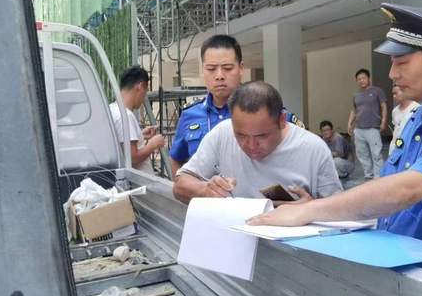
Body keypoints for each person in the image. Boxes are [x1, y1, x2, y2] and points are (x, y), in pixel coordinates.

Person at [248, 3, 422, 272]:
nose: (392, 74)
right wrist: (318, 207)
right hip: (398, 268)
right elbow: (384, 196)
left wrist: (308, 211)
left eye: (402, 62)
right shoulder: (417, 119)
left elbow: (404, 191)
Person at [173, 81, 342, 203]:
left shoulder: (314, 149)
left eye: (262, 136)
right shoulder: (222, 134)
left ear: (282, 120)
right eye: (241, 135)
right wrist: (205, 190)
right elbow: (180, 185)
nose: (251, 146)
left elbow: (340, 212)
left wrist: (310, 209)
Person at [169, 35, 304, 177]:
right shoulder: (190, 115)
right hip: (207, 191)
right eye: (211, 69)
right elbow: (176, 158)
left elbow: (303, 150)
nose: (219, 76)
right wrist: (185, 186)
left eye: (227, 68)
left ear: (241, 68)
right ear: (203, 70)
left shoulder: (266, 108)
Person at [110, 66, 166, 173]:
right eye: (145, 92)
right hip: (138, 181)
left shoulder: (113, 109)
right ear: (140, 86)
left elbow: (122, 145)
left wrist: (140, 135)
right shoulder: (125, 116)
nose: (144, 97)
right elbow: (133, 159)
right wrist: (153, 144)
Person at [347, 68, 387, 179]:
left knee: (376, 153)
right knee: (362, 154)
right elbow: (354, 110)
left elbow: (383, 106)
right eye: (359, 79)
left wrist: (383, 121)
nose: (361, 81)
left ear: (369, 78)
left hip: (372, 128)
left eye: (363, 78)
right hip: (358, 129)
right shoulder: (356, 95)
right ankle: (368, 175)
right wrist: (349, 123)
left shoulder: (377, 91)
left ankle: (379, 176)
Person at [390, 85, 420, 155]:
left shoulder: (417, 109)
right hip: (395, 148)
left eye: (395, 93)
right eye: (393, 94)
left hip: (410, 149)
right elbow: (396, 129)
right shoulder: (395, 111)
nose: (394, 96)